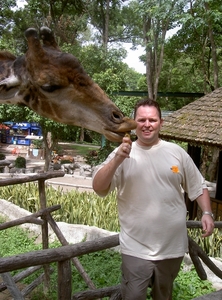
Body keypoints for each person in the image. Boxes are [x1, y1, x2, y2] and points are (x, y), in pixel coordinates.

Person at [92, 98, 214, 300]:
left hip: (171, 249)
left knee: (163, 296)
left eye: (152, 120)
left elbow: (198, 186)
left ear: (160, 123)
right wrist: (117, 159)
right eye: (141, 120)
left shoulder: (176, 152)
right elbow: (98, 187)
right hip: (136, 248)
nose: (147, 124)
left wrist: (207, 213)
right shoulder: (121, 152)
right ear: (134, 123)